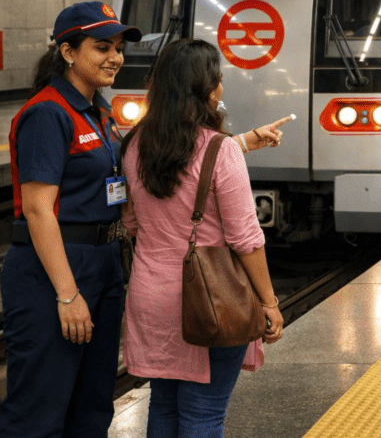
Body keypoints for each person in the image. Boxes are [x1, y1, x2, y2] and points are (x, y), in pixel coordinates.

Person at [121, 38, 287, 437]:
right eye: (218, 79)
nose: (221, 87)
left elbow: (131, 222)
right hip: (209, 300)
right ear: (207, 90)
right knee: (203, 413)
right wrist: (269, 302)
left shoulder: (134, 144)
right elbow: (246, 238)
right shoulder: (220, 150)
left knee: (163, 406)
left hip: (151, 296)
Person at [0, 1, 142, 437]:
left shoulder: (99, 111)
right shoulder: (48, 114)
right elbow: (38, 209)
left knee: (92, 405)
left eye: (118, 48)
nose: (115, 57)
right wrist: (67, 294)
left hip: (102, 263)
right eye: (102, 47)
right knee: (39, 410)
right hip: (55, 268)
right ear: (68, 52)